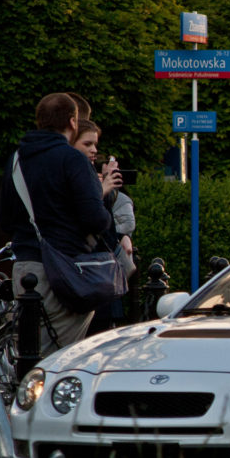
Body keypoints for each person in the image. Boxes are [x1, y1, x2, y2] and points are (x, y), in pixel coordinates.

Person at [0, 93, 113, 355]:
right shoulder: (72, 159)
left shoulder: (16, 160)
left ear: (39, 121)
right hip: (64, 270)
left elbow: (5, 220)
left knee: (28, 351)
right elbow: (94, 218)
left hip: (25, 266)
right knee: (59, 357)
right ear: (73, 122)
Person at [71, 119, 135, 334]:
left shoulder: (87, 170)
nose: (94, 151)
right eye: (87, 144)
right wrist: (104, 188)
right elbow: (88, 215)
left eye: (95, 145)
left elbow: (104, 218)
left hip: (101, 265)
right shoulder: (73, 171)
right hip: (87, 265)